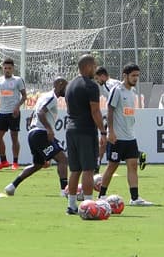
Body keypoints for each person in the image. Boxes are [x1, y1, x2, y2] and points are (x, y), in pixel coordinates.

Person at [98, 63, 153, 206]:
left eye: (137, 76)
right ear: (125, 76)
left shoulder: (132, 92)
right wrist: (110, 131)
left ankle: (135, 198)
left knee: (133, 165)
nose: (136, 78)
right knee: (112, 166)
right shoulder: (117, 90)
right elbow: (110, 110)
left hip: (130, 137)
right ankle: (101, 196)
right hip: (117, 137)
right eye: (133, 75)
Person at [4, 77, 69, 196]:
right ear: (60, 85)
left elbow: (34, 114)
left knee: (37, 165)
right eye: (66, 86)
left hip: (34, 133)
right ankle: (65, 190)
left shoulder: (44, 96)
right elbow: (40, 113)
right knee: (63, 160)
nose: (67, 89)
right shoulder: (52, 98)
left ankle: (12, 186)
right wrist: (49, 129)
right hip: (41, 133)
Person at [64, 54, 107, 215]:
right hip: (85, 131)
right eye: (94, 66)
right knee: (88, 169)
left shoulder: (70, 85)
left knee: (75, 170)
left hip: (71, 129)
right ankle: (89, 204)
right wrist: (103, 132)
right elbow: (95, 111)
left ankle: (72, 205)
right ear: (88, 67)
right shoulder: (91, 86)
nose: (95, 70)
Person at [95, 66, 147, 171]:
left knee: (104, 140)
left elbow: (113, 101)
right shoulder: (116, 82)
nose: (97, 81)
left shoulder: (108, 85)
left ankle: (97, 165)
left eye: (97, 79)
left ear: (103, 76)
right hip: (122, 116)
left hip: (116, 117)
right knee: (106, 142)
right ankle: (138, 153)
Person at [0, 57, 27, 170]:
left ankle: (15, 162)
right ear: (2, 68)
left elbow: (24, 96)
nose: (7, 70)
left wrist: (17, 106)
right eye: (5, 68)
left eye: (9, 68)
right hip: (2, 113)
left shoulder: (18, 80)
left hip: (13, 113)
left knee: (14, 137)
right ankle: (3, 161)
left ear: (13, 69)